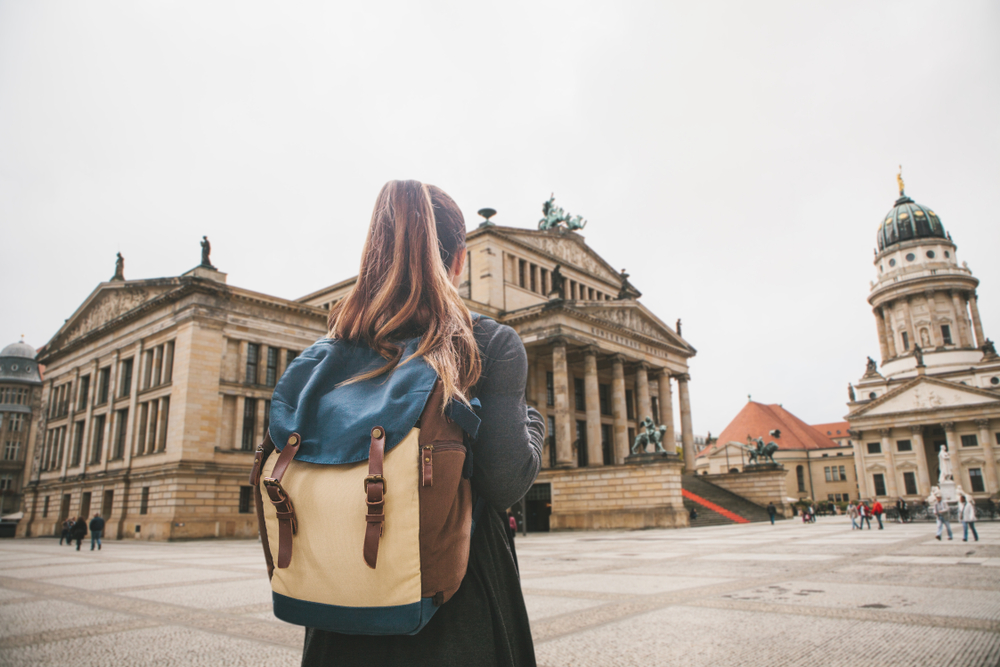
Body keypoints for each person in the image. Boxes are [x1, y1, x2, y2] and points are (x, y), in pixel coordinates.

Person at [300, 181, 543, 667]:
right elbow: (504, 482)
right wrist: (533, 424)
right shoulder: (486, 343)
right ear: (459, 261)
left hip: (341, 602)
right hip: (455, 601)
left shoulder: (329, 354)